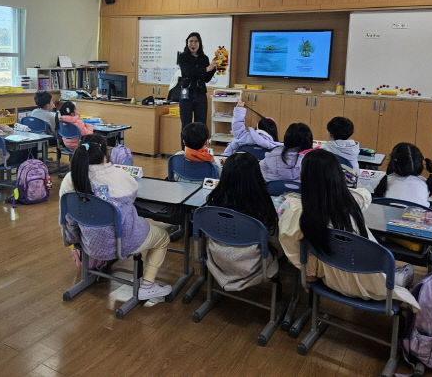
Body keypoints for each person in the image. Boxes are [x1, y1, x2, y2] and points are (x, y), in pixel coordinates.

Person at [278, 149, 418, 307]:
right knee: (401, 273)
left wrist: (309, 273)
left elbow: (291, 245)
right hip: (371, 285)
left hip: (330, 280)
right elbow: (365, 194)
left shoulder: (299, 212)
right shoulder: (350, 201)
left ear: (302, 178)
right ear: (339, 176)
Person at [58, 135, 173, 301]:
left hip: (87, 241)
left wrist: (74, 241)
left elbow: (66, 217)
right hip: (120, 244)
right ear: (105, 156)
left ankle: (91, 272)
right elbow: (133, 194)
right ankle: (147, 286)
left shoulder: (70, 179)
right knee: (163, 237)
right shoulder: (118, 176)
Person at [205, 152, 280, 290]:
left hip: (218, 259)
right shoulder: (262, 205)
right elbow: (271, 237)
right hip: (252, 265)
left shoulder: (214, 202)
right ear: (256, 176)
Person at [177, 32, 216, 147]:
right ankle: (185, 152)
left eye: (196, 41)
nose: (193, 44)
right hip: (186, 94)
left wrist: (213, 68)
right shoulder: (182, 56)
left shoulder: (204, 58)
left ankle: (200, 151)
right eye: (191, 41)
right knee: (186, 125)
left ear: (199, 43)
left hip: (200, 94)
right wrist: (207, 68)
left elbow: (206, 78)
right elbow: (188, 72)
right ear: (187, 43)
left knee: (201, 125)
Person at [373, 142, 432, 206]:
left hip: (391, 215)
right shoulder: (424, 182)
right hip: (418, 215)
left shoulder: (386, 181)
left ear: (393, 162)